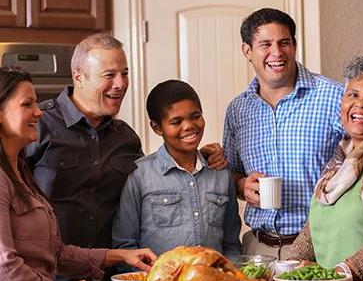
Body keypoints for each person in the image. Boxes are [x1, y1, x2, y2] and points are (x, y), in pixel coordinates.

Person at [25, 33, 226, 252]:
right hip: (50, 276)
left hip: (109, 276)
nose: (120, 84)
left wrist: (198, 160)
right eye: (109, 75)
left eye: (124, 74)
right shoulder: (36, 125)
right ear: (78, 77)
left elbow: (155, 182)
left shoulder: (126, 139)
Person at [0, 66, 157, 281]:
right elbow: (4, 265)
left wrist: (121, 255)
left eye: (36, 103)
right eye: (27, 104)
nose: (39, 112)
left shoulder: (22, 173)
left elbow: (56, 251)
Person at [222, 8, 345, 259]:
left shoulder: (334, 97)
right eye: (265, 44)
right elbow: (231, 171)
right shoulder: (238, 109)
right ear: (247, 51)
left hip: (321, 247)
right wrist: (242, 185)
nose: (276, 53)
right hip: (258, 248)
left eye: (284, 43)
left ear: (295, 45)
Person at [288, 54, 363, 281]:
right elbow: (316, 226)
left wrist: (344, 271)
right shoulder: (341, 158)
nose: (360, 104)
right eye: (352, 94)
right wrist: (288, 266)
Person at [112, 80, 241, 257]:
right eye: (176, 121)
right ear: (157, 127)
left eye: (195, 116)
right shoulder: (139, 176)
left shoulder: (221, 174)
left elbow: (232, 244)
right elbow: (125, 246)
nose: (188, 126)